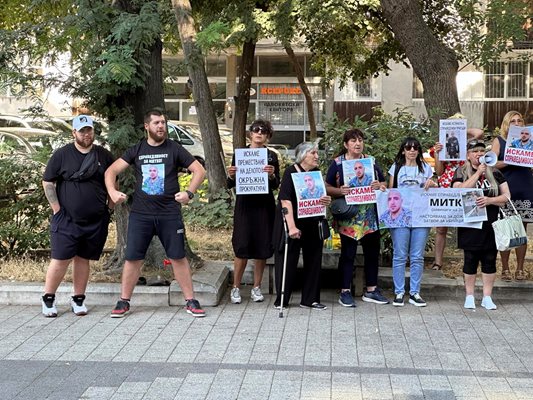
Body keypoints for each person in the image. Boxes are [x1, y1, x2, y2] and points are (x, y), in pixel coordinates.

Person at [105, 109, 206, 318]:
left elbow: (199, 170)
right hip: (141, 214)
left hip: (169, 213)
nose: (161, 126)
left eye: (163, 123)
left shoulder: (174, 148)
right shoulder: (137, 150)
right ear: (147, 127)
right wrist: (113, 192)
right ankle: (124, 301)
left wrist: (189, 193)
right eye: (156, 123)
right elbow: (111, 171)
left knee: (178, 257)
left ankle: (191, 300)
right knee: (133, 258)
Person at [41, 115, 115, 317]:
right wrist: (56, 208)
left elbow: (112, 181)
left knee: (83, 259)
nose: (86, 134)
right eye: (82, 131)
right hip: (67, 219)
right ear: (74, 133)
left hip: (95, 220)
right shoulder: (62, 154)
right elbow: (48, 182)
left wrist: (109, 206)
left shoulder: (103, 155)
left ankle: (78, 299)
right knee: (60, 259)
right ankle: (48, 299)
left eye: (89, 130)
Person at [325, 129, 389, 308]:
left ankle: (371, 290)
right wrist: (340, 191)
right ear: (346, 144)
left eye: (360, 140)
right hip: (349, 217)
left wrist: (379, 185)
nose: (357, 143)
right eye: (353, 141)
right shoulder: (338, 163)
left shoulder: (371, 161)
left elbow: (384, 183)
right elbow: (327, 186)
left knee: (372, 253)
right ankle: (344, 291)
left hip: (369, 216)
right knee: (348, 254)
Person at [452, 139, 510, 310]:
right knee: (470, 259)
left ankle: (487, 296)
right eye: (474, 152)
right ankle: (469, 296)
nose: (478, 155)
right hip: (470, 224)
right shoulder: (461, 171)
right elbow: (458, 190)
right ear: (468, 155)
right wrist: (477, 174)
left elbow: (507, 196)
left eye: (481, 151)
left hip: (491, 224)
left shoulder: (495, 173)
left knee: (489, 259)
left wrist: (490, 200)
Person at [273, 142, 331, 310]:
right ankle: (282, 299)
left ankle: (310, 299)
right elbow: (285, 200)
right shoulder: (291, 172)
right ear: (303, 155)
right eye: (313, 153)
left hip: (312, 221)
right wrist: (291, 226)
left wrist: (326, 200)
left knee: (314, 259)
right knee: (288, 259)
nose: (317, 156)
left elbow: (321, 196)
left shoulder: (316, 173)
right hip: (292, 221)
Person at [227, 120, 280, 304]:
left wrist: (272, 175)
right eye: (256, 130)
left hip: (264, 206)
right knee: (241, 246)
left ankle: (257, 287)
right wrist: (231, 175)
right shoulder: (240, 154)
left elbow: (276, 184)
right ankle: (236, 287)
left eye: (263, 131)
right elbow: (231, 183)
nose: (259, 133)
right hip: (245, 205)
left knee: (262, 247)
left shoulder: (271, 156)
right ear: (250, 134)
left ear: (268, 136)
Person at [387, 137, 437, 307]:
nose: (412, 150)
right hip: (400, 217)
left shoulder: (426, 168)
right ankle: (399, 292)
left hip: (421, 216)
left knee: (417, 256)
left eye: (415, 147)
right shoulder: (396, 167)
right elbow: (390, 191)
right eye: (408, 148)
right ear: (403, 150)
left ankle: (415, 292)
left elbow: (434, 187)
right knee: (400, 255)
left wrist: (433, 183)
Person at [431, 127, 484, 271]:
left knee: (470, 225)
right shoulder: (441, 145)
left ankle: (471, 263)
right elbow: (439, 171)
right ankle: (438, 262)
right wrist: (437, 153)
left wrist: (460, 128)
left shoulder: (467, 145)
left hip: (465, 184)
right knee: (441, 228)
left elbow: (478, 132)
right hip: (447, 188)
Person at [491, 111, 533, 281]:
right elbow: (491, 164)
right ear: (506, 124)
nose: (516, 123)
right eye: (512, 121)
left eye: (519, 120)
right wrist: (511, 159)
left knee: (521, 230)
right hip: (506, 189)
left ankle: (520, 268)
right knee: (507, 228)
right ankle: (506, 269)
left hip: (525, 187)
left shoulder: (529, 140)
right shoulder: (499, 141)